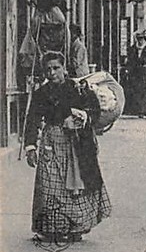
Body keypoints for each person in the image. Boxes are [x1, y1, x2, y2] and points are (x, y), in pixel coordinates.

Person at [23, 51, 112, 243]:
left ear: (64, 68)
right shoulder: (41, 94)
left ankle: (75, 227)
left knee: (76, 186)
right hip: (51, 144)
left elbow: (94, 110)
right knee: (49, 186)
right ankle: (52, 229)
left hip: (76, 144)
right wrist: (30, 147)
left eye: (56, 68)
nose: (52, 73)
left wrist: (83, 116)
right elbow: (33, 119)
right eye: (48, 69)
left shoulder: (78, 88)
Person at [123, 31, 146, 117]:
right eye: (138, 39)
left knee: (145, 91)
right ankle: (138, 109)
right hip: (136, 72)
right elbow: (131, 60)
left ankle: (144, 110)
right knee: (137, 90)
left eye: (141, 39)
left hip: (145, 72)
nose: (140, 41)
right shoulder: (133, 48)